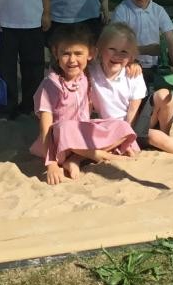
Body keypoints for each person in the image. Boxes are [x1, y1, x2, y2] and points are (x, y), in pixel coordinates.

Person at [31, 24, 139, 185]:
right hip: (59, 144)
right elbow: (46, 126)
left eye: (78, 53)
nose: (72, 60)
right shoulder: (50, 85)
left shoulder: (86, 75)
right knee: (65, 127)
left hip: (83, 136)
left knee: (122, 126)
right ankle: (96, 154)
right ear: (55, 53)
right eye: (66, 54)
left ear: (91, 54)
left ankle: (77, 158)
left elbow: (113, 62)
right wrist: (51, 163)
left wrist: (133, 63)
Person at [90, 21, 173, 156]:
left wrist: (127, 137)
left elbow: (133, 111)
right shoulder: (91, 71)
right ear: (100, 49)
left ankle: (167, 134)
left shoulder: (132, 74)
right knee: (154, 137)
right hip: (108, 129)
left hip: (133, 124)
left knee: (164, 95)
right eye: (112, 49)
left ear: (131, 56)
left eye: (124, 52)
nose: (117, 55)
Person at [112, 0, 173, 135]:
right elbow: (118, 42)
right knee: (135, 99)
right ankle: (135, 127)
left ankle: (163, 131)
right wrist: (134, 56)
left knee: (163, 94)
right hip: (129, 66)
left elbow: (170, 40)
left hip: (154, 65)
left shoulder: (158, 11)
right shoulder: (123, 10)